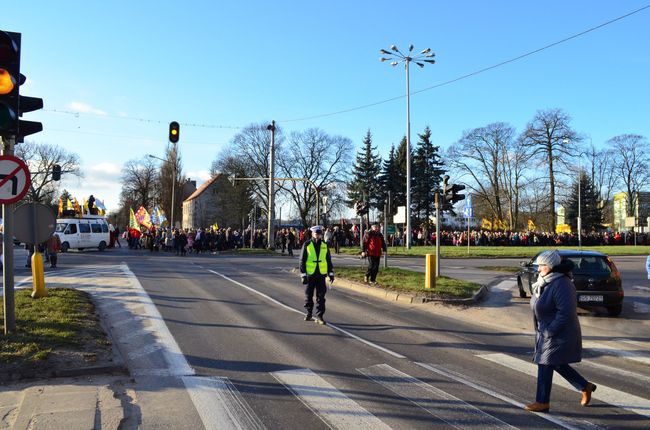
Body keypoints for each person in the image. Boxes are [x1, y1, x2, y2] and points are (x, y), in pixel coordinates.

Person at [525, 250, 596, 413]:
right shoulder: (544, 281)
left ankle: (542, 402)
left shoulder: (562, 284)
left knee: (545, 363)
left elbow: (566, 312)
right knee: (555, 363)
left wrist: (550, 330)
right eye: (538, 265)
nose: (538, 269)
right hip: (546, 331)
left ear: (551, 266)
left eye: (541, 265)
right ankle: (585, 386)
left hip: (558, 332)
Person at [299, 225, 334, 325]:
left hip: (321, 275)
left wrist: (331, 273)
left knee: (321, 296)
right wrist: (303, 275)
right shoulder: (307, 244)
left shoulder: (324, 245)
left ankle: (319, 316)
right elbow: (302, 261)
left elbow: (328, 260)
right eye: (316, 233)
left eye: (319, 234)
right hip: (310, 275)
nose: (318, 235)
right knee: (308, 296)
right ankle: (309, 313)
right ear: (312, 233)